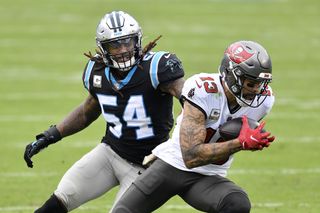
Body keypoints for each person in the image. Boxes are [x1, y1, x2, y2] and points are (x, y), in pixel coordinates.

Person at [23, 11, 185, 213]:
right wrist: (50, 136)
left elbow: (191, 102)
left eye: (127, 42)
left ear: (138, 40)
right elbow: (87, 111)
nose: (123, 49)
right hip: (110, 153)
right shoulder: (95, 71)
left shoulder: (157, 67)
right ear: (102, 48)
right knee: (61, 198)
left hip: (148, 166)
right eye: (115, 45)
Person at [112, 40, 276, 213]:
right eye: (250, 83)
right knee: (122, 211)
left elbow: (235, 131)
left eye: (260, 84)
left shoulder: (264, 101)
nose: (256, 90)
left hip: (209, 177)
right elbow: (190, 157)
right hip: (172, 166)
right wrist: (240, 143)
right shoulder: (203, 90)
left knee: (237, 203)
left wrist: (249, 139)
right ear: (230, 74)